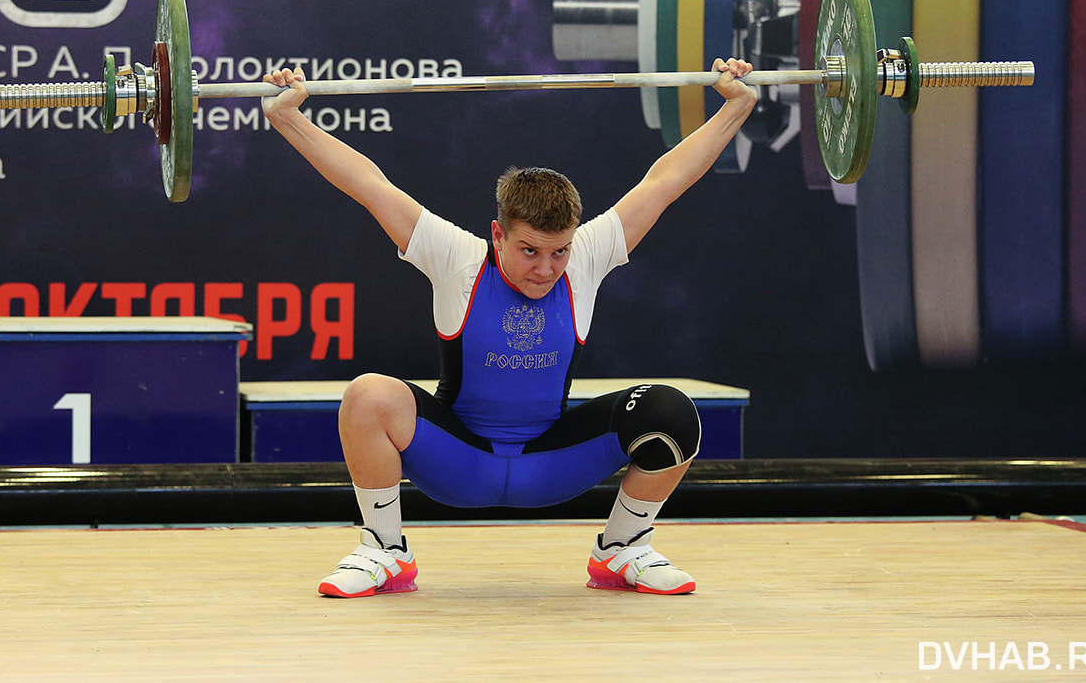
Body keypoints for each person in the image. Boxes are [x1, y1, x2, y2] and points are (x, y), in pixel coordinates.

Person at [262, 57, 757, 598]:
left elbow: (666, 180)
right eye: (529, 251)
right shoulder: (457, 257)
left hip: (552, 465)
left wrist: (736, 106)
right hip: (459, 461)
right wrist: (290, 119)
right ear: (498, 234)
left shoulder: (588, 255)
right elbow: (368, 184)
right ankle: (383, 551)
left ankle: (622, 550)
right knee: (368, 396)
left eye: (558, 252)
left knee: (671, 411)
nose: (546, 269)